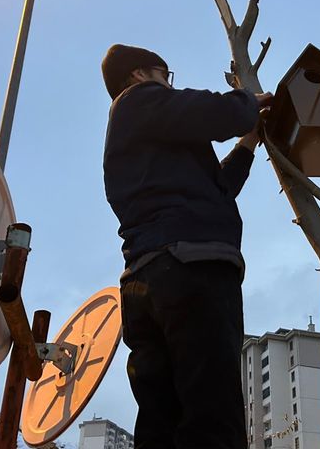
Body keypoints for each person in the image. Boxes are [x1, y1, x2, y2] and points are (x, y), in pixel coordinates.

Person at [101, 43, 271, 449]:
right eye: (165, 76)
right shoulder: (137, 101)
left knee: (162, 421)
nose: (168, 86)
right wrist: (250, 102)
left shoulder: (147, 147)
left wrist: (247, 143)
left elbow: (217, 190)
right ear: (141, 75)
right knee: (213, 417)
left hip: (149, 280)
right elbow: (209, 113)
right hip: (189, 268)